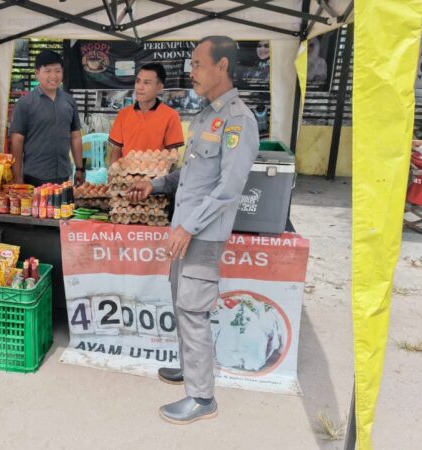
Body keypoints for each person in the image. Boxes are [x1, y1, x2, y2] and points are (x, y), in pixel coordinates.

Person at [127, 35, 259, 424]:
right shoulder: (205, 115)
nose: (192, 71)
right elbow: (191, 175)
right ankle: (189, 369)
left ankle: (202, 398)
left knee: (193, 309)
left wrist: (187, 227)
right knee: (180, 302)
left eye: (199, 64)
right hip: (184, 230)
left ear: (222, 66)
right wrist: (156, 184)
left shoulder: (238, 120)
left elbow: (228, 188)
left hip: (201, 234)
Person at [9, 50, 84, 186]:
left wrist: (79, 168)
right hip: (34, 177)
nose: (53, 76)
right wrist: (17, 177)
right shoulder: (25, 103)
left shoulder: (69, 101)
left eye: (57, 71)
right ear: (37, 73)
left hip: (63, 175)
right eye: (47, 71)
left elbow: (75, 136)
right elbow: (17, 141)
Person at [108, 63, 185, 164]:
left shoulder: (171, 116)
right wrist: (112, 172)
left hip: (156, 173)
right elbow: (116, 150)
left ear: (159, 87)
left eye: (147, 83)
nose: (140, 87)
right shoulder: (123, 114)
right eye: (138, 81)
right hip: (126, 173)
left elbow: (172, 155)